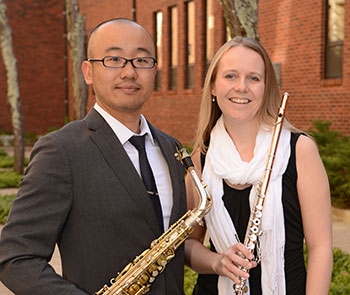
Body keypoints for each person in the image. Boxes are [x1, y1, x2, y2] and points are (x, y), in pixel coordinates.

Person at [0, 18, 187, 295]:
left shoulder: (173, 149)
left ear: (154, 71)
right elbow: (15, 258)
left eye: (141, 60)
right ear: (88, 72)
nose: (129, 72)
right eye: (113, 59)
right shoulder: (61, 151)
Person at [184, 36, 333, 295]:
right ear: (213, 87)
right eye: (230, 76)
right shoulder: (200, 158)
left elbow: (321, 248)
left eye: (254, 78)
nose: (242, 87)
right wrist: (217, 262)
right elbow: (189, 244)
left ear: (266, 88)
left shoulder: (299, 150)